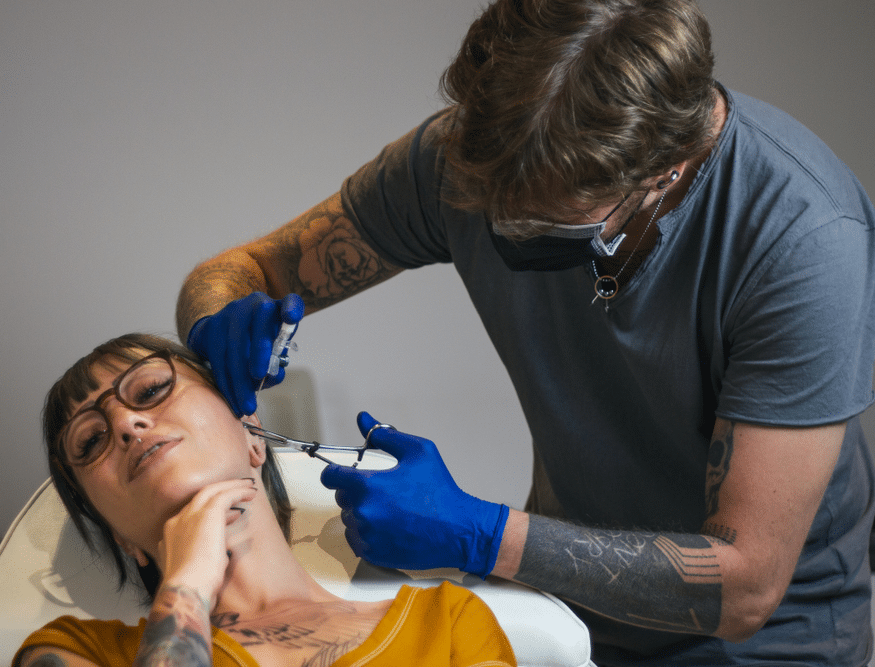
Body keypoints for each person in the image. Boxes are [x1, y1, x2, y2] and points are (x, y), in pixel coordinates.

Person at [176, 0, 875, 664]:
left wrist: (479, 533)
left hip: (763, 641)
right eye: (490, 208)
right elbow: (245, 269)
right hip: (561, 610)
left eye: (544, 229)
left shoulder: (803, 240)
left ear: (664, 169)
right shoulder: (467, 161)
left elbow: (745, 585)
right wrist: (217, 315)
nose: (501, 228)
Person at [13, 333, 517, 667]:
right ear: (118, 535)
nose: (125, 424)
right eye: (90, 441)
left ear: (251, 430)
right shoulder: (72, 652)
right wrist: (187, 582)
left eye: (149, 391)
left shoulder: (448, 621)